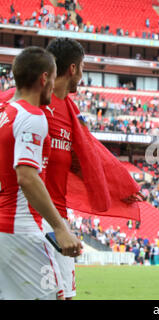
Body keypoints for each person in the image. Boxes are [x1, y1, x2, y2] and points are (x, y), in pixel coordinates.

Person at [0, 47, 82, 300]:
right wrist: (60, 227)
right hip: (22, 228)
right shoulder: (33, 117)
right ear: (44, 79)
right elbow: (27, 177)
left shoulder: (4, 114)